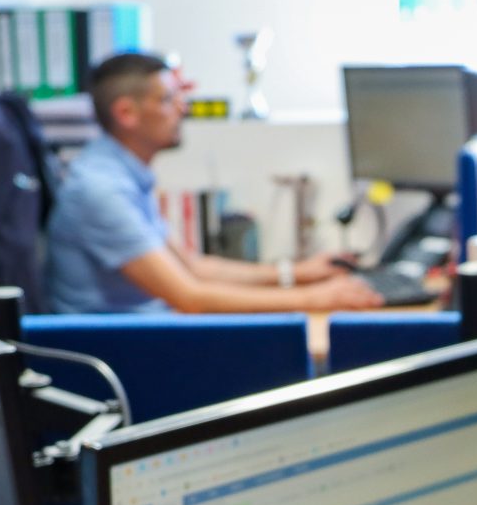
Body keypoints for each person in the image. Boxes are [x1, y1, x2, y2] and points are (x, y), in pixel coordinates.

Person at [47, 53, 383, 314]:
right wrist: (315, 297)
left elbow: (193, 267)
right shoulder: (100, 189)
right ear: (126, 113)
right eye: (167, 99)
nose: (183, 108)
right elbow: (189, 297)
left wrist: (294, 274)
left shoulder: (121, 173)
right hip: (121, 354)